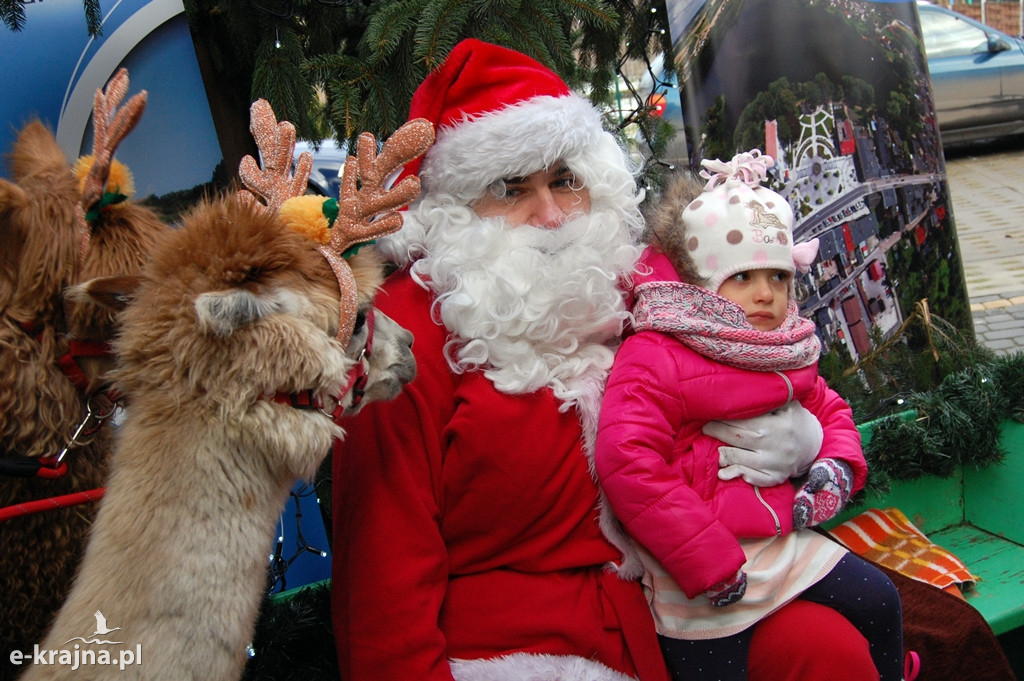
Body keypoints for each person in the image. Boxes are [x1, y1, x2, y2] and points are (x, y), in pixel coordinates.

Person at [330, 39, 881, 681]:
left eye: (566, 181)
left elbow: (765, 362)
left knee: (831, 655)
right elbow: (383, 587)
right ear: (453, 210)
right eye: (512, 190)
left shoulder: (643, 286)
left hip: (683, 598)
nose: (553, 215)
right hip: (517, 647)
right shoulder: (404, 341)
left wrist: (804, 436)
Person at [594, 150, 906, 680]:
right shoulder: (658, 352)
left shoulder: (782, 346)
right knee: (715, 663)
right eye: (743, 278)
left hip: (779, 544)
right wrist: (705, 558)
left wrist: (831, 463)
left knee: (879, 601)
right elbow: (627, 460)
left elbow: (829, 409)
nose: (765, 295)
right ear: (704, 283)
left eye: (778, 278)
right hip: (698, 561)